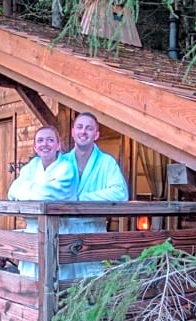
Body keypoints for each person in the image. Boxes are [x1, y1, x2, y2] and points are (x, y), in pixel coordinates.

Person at [62, 112, 129, 277]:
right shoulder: (61, 162)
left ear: (96, 135)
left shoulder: (107, 162)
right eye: (79, 127)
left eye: (89, 128)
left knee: (93, 286)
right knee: (63, 288)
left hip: (94, 232)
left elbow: (120, 193)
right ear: (72, 131)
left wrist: (82, 199)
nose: (83, 132)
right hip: (64, 232)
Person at [7, 126, 78, 278]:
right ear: (35, 147)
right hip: (32, 233)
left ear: (58, 145)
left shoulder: (66, 168)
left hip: (59, 234)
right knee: (29, 283)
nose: (44, 144)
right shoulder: (31, 167)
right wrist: (36, 191)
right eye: (40, 140)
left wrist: (28, 190)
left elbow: (48, 195)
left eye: (50, 140)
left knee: (57, 283)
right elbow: (13, 191)